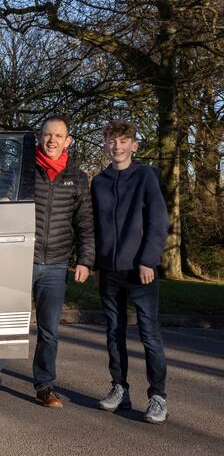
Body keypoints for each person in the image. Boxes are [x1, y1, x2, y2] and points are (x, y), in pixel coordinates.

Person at [0, 114, 95, 407]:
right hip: (19, 260)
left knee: (49, 331)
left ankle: (45, 386)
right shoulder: (21, 170)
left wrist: (85, 260)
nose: (52, 140)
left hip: (55, 265)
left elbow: (85, 224)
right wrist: (1, 203)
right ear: (39, 138)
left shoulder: (77, 178)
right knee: (7, 323)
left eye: (58, 136)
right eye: (47, 135)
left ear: (68, 141)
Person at [91, 120, 169, 424]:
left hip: (141, 271)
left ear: (133, 145)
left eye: (123, 141)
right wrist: (97, 263)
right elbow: (95, 227)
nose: (117, 146)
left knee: (150, 336)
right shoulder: (99, 181)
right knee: (114, 333)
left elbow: (158, 222)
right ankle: (119, 389)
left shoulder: (146, 177)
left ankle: (158, 397)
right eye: (111, 141)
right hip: (109, 272)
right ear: (106, 145)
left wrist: (149, 259)